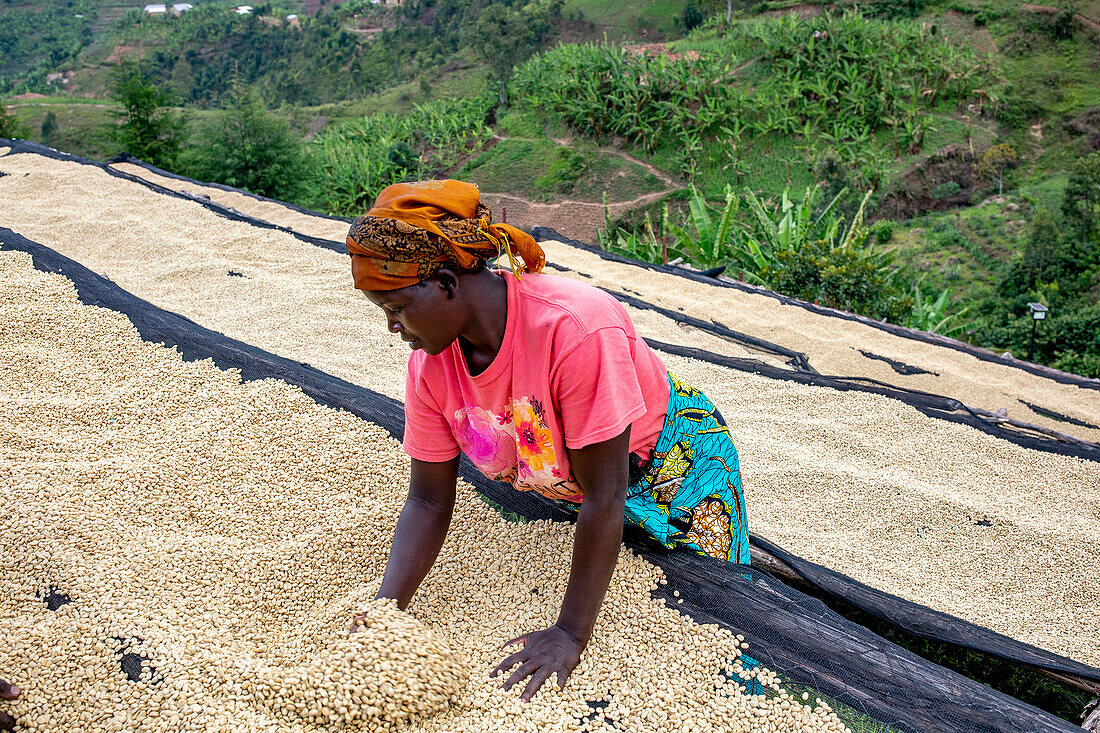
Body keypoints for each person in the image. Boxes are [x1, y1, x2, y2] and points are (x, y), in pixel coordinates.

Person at [348, 179, 749, 702]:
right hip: (579, 486)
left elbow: (607, 494)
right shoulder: (430, 367)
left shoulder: (576, 330)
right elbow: (427, 498)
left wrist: (569, 634)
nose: (392, 328)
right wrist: (386, 611)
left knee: (720, 604)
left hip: (676, 467)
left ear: (445, 283)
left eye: (396, 309)